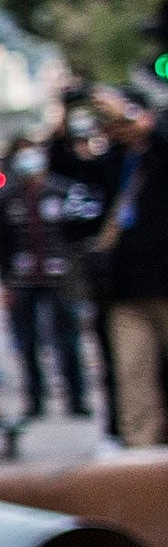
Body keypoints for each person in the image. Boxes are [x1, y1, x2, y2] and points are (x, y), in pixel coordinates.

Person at [0, 139, 99, 420]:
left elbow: (80, 231)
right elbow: (0, 244)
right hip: (23, 278)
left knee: (67, 340)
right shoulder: (8, 200)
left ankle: (76, 399)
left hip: (60, 277)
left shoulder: (61, 192)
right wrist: (5, 281)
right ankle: (35, 400)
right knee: (27, 342)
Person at [88, 89, 168, 445]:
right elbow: (65, 165)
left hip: (163, 280)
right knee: (132, 375)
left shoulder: (159, 153)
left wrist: (139, 120)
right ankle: (141, 453)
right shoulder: (114, 162)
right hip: (123, 290)